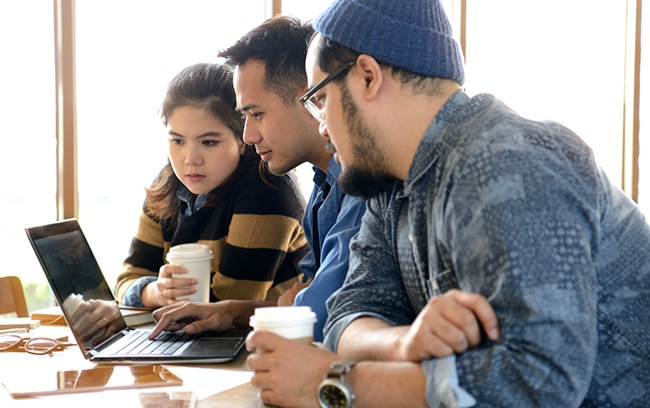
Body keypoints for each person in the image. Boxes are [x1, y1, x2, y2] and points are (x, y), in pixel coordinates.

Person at [245, 0, 650, 407]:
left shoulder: (510, 164)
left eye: (320, 99)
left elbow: (538, 382)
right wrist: (404, 342)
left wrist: (333, 382)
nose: (322, 126)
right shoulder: (391, 185)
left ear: (367, 76)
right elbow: (347, 316)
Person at [147, 16, 368, 343]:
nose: (248, 136)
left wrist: (294, 305)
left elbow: (317, 314)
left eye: (256, 114)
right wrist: (233, 312)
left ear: (310, 100)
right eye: (244, 116)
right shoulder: (323, 186)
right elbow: (297, 302)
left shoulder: (360, 187)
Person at [115, 63, 309, 309]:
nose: (190, 159)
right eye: (177, 141)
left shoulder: (267, 187)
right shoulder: (167, 185)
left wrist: (161, 298)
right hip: (199, 339)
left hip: (264, 340)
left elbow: (228, 304)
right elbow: (125, 280)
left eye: (208, 142)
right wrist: (155, 292)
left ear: (241, 140)